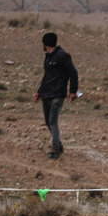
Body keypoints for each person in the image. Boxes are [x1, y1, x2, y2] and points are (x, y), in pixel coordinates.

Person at [34, 32, 80, 160]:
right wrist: (39, 91)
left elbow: (73, 73)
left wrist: (73, 91)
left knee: (53, 121)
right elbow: (47, 76)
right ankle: (58, 145)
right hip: (47, 94)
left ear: (45, 43)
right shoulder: (48, 57)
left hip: (58, 94)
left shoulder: (62, 56)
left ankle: (55, 149)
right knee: (48, 122)